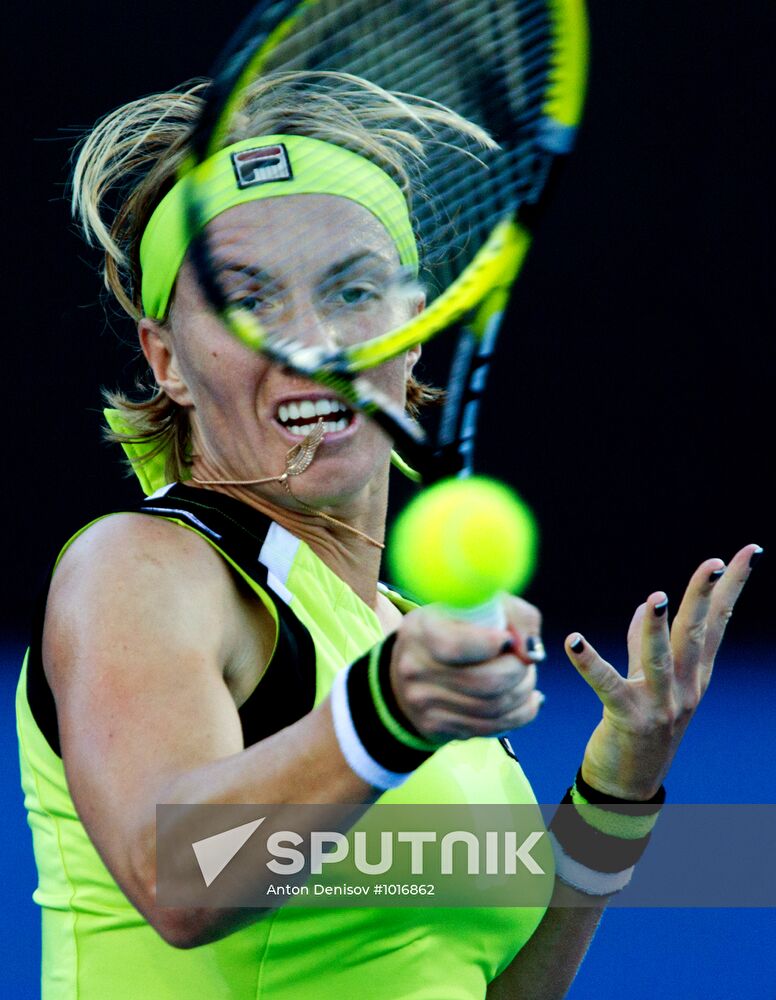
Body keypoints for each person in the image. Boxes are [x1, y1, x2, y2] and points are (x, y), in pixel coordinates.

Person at [17, 70, 760, 1000]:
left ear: (415, 327)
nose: (313, 341)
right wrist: (389, 709)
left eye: (353, 289)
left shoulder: (403, 642)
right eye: (248, 299)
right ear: (165, 357)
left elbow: (492, 988)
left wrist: (615, 791)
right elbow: (179, 875)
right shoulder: (140, 568)